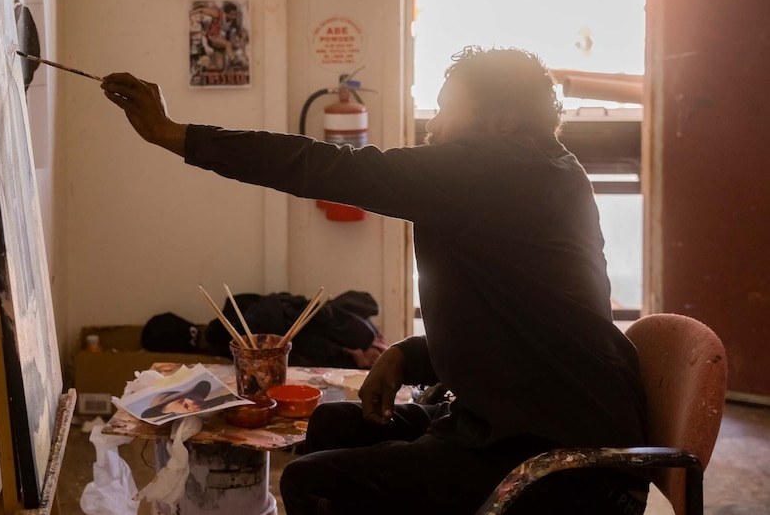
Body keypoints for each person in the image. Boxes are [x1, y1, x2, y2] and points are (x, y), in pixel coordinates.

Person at [100, 46, 649, 514]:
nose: (434, 126)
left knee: (312, 483)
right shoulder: (547, 171)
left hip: (562, 462)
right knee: (333, 427)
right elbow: (529, 320)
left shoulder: (493, 170)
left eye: (449, 110)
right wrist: (409, 355)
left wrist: (178, 136)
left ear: (502, 121)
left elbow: (329, 165)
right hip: (531, 421)